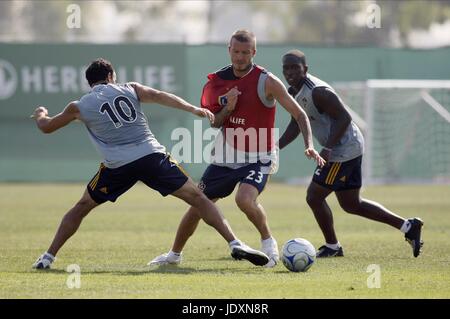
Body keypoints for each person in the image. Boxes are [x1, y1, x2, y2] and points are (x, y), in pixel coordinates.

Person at [31, 58, 271, 269]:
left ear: (89, 83)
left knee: (82, 206)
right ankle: (234, 242)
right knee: (198, 198)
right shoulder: (130, 89)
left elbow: (47, 127)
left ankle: (48, 257)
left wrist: (41, 114)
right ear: (111, 77)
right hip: (151, 156)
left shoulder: (79, 106)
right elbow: (160, 96)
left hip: (117, 166)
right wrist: (193, 109)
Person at [149, 30, 325, 268]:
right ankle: (174, 255)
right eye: (236, 51)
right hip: (226, 156)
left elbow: (299, 113)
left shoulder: (268, 81)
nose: (240, 57)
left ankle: (268, 243)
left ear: (254, 52)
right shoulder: (217, 82)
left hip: (259, 156)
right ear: (229, 50)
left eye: (245, 52)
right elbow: (215, 122)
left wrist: (309, 145)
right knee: (198, 205)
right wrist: (228, 108)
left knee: (244, 199)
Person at [277, 49, 424, 258]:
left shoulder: (318, 91)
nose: (290, 72)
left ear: (305, 69)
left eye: (295, 67)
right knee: (351, 204)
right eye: (286, 68)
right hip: (346, 148)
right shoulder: (293, 91)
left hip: (342, 150)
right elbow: (296, 123)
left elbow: (344, 118)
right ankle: (408, 227)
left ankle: (332, 246)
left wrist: (328, 147)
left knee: (314, 197)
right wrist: (275, 147)